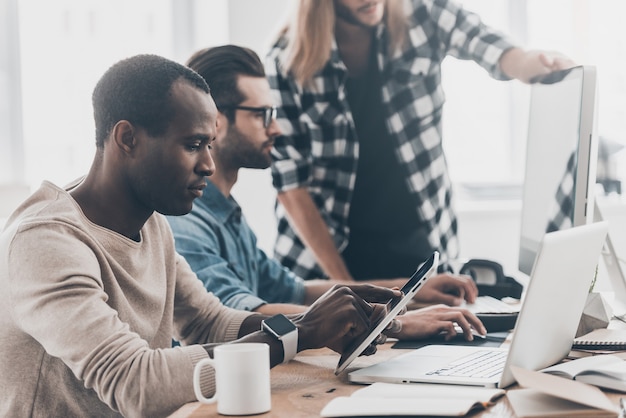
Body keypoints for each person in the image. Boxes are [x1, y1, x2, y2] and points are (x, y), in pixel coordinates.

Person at [0, 54, 409, 418]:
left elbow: (208, 321)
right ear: (127, 139)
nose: (210, 165)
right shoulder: (46, 242)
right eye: (194, 145)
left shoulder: (151, 221)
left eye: (210, 145)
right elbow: (136, 383)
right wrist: (299, 333)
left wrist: (313, 323)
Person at [166, 44, 485, 342]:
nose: (276, 129)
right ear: (216, 121)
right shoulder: (188, 223)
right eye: (262, 115)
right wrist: (390, 323)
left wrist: (407, 291)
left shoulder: (226, 213)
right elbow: (240, 317)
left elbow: (296, 291)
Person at [264, 0, 576, 282]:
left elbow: (482, 41)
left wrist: (525, 63)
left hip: (416, 247)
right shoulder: (286, 61)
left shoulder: (424, 14)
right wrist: (348, 288)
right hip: (327, 262)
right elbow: (292, 187)